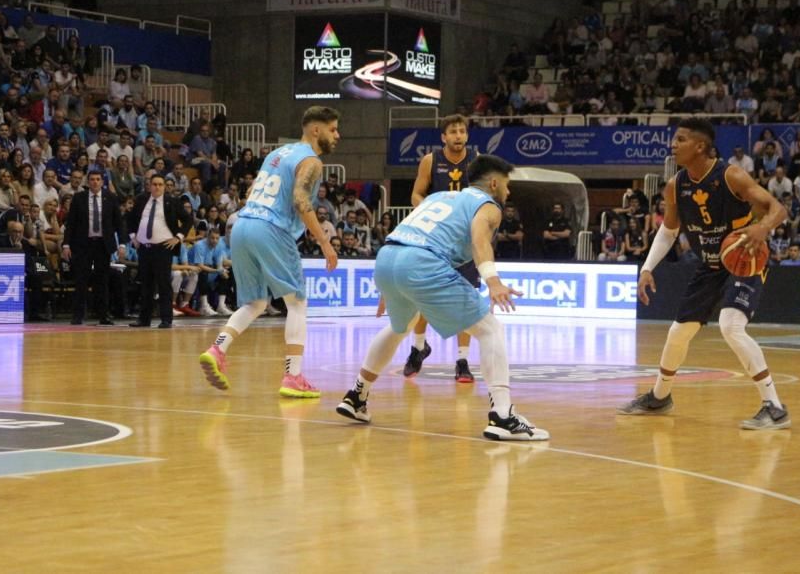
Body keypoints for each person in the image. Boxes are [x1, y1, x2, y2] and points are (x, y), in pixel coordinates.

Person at [335, 155, 549, 441]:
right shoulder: (488, 206)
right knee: (490, 329)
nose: (508, 193)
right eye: (507, 186)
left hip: (388, 257)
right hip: (422, 262)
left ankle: (356, 396)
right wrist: (493, 280)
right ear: (494, 183)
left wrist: (392, 284)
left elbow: (409, 233)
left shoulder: (439, 197)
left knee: (401, 325)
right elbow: (478, 240)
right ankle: (503, 416)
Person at [617, 118, 790, 430]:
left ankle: (774, 406)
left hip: (743, 260)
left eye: (680, 139)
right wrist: (646, 268)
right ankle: (660, 396)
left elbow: (777, 207)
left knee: (731, 325)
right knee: (677, 333)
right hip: (710, 265)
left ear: (700, 146)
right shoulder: (675, 186)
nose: (673, 144)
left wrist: (763, 227)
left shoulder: (731, 175)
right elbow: (669, 231)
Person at [198, 106, 340, 397]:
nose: (337, 135)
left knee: (256, 303)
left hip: (242, 224)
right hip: (270, 228)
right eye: (333, 129)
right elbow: (302, 202)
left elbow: (251, 193)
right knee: (297, 303)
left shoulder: (277, 154)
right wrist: (325, 242)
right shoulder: (311, 161)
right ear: (316, 130)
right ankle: (294, 376)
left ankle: (217, 348)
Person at [404, 114, 480, 382]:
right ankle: (418, 347)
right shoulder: (431, 160)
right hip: (437, 239)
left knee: (466, 299)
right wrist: (428, 214)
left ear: (467, 136)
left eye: (462, 131)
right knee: (427, 296)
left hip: (466, 241)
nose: (458, 135)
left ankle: (462, 361)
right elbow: (416, 193)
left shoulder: (477, 161)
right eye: (453, 131)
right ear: (443, 137)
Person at [128, 174, 194, 329]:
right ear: (149, 186)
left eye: (160, 184)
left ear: (164, 186)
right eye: (154, 184)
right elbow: (130, 219)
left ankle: (166, 319)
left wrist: (178, 237)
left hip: (163, 248)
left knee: (164, 284)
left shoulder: (172, 202)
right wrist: (133, 237)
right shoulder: (141, 200)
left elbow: (188, 219)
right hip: (144, 248)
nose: (157, 187)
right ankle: (144, 319)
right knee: (146, 285)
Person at [61, 171, 126, 326]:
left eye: (98, 179)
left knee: (102, 281)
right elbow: (71, 223)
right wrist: (66, 244)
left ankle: (104, 315)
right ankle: (77, 315)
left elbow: (119, 222)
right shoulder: (79, 198)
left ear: (102, 182)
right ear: (88, 182)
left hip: (103, 244)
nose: (95, 182)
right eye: (92, 180)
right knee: (81, 280)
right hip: (83, 244)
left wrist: (122, 244)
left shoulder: (110, 198)